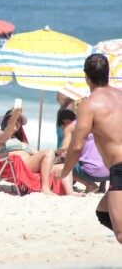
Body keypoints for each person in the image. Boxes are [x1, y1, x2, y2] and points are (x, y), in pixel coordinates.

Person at [57, 53, 122, 245]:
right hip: (117, 170)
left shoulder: (89, 104)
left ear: (86, 77)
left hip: (120, 170)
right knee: (103, 212)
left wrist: (65, 172)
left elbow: (77, 146)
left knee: (120, 233)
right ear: (108, 74)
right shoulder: (120, 95)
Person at [0, 107, 73, 196]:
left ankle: (70, 193)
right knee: (49, 152)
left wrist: (57, 153)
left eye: (19, 121)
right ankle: (45, 188)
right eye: (15, 119)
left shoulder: (22, 142)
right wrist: (14, 117)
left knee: (64, 167)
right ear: (6, 121)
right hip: (15, 167)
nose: (17, 122)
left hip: (30, 166)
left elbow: (40, 154)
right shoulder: (0, 135)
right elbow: (6, 135)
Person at [57, 109, 109, 193]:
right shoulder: (96, 124)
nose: (64, 131)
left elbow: (64, 150)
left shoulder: (70, 127)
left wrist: (54, 155)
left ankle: (89, 184)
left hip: (91, 174)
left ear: (66, 122)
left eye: (63, 128)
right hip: (109, 173)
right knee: (99, 154)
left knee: (63, 162)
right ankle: (102, 187)